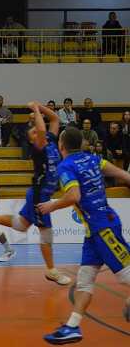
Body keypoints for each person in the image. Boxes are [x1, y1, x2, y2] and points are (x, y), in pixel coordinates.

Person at [39, 126, 130, 344]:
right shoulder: (94, 159)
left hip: (103, 228)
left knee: (126, 274)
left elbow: (73, 195)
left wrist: (52, 206)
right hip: (93, 231)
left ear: (61, 146)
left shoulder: (65, 166)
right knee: (84, 280)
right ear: (80, 144)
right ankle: (72, 327)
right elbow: (124, 175)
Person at [0, 101, 71, 285]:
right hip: (39, 196)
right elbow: (42, 130)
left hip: (38, 193)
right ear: (31, 140)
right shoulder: (38, 148)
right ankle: (51, 270)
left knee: (21, 225)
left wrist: (39, 106)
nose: (37, 131)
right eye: (33, 132)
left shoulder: (50, 140)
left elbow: (54, 118)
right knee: (47, 233)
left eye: (37, 129)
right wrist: (35, 110)